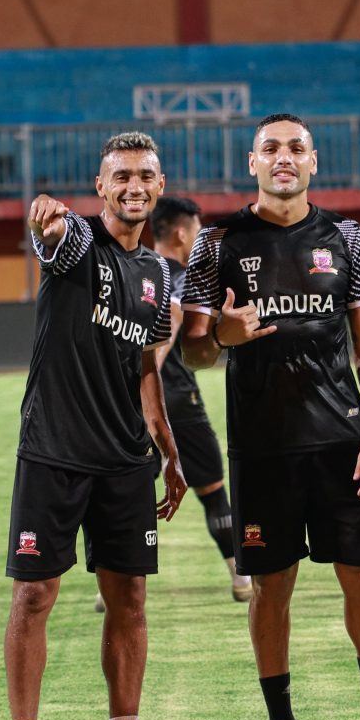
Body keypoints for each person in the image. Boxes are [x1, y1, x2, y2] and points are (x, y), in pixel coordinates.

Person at [180, 113, 360, 720]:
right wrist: (220, 339)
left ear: (313, 162)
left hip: (341, 442)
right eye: (270, 149)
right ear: (251, 162)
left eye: (295, 149)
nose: (283, 158)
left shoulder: (347, 236)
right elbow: (195, 350)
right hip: (261, 447)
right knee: (271, 586)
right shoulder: (218, 240)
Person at [1, 132, 187, 720]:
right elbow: (53, 233)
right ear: (102, 186)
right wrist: (47, 215)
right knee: (33, 596)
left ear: (159, 187)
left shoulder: (161, 274)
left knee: (130, 600)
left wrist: (167, 446)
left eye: (145, 176)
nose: (134, 186)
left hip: (124, 460)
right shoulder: (77, 241)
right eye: (122, 177)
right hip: (53, 450)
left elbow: (144, 368)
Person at [149, 196, 251, 602]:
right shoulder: (179, 277)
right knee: (212, 490)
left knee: (129, 492)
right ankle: (240, 579)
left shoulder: (135, 270)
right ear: (179, 232)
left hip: (131, 399)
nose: (197, 238)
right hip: (175, 397)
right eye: (195, 230)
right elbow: (174, 322)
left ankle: (112, 584)